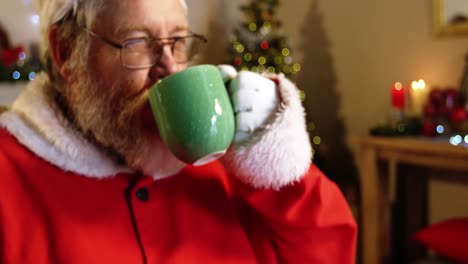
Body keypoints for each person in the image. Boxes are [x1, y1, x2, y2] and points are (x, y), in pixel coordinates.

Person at [0, 0, 357, 263]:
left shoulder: (222, 162)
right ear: (66, 52)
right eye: (138, 42)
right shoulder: (9, 179)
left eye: (178, 42)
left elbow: (327, 252)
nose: (169, 67)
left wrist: (273, 161)